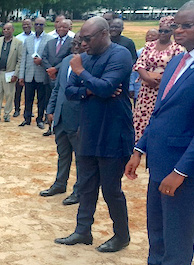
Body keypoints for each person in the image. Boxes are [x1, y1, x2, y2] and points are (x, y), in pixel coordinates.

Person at [122, 1, 194, 265]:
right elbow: (159, 112)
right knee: (157, 222)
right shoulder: (179, 60)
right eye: (175, 25)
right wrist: (140, 150)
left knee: (179, 231)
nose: (177, 31)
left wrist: (181, 171)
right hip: (159, 161)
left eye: (185, 25)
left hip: (182, 169)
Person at [55, 16, 134, 252]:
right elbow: (70, 90)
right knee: (86, 184)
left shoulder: (119, 55)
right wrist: (91, 89)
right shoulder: (86, 58)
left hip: (113, 131)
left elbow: (108, 87)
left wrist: (82, 73)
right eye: (81, 39)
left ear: (103, 34)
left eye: (87, 38)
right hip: (88, 129)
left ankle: (122, 235)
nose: (84, 43)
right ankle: (82, 231)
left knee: (111, 189)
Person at [40, 33, 83, 206]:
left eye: (80, 43)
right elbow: (57, 88)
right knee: (63, 154)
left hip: (79, 120)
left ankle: (79, 191)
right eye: (75, 43)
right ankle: (60, 184)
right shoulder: (66, 62)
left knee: (81, 159)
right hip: (60, 118)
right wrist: (50, 110)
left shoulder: (89, 64)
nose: (76, 46)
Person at [132, 17, 183, 142]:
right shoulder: (149, 46)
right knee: (142, 119)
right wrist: (147, 78)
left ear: (172, 32)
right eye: (161, 31)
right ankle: (140, 146)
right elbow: (140, 64)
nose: (163, 34)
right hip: (146, 90)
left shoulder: (177, 48)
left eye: (166, 31)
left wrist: (160, 79)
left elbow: (177, 69)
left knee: (160, 117)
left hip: (164, 90)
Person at [18, 17, 53, 129]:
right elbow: (24, 58)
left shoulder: (49, 39)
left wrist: (42, 62)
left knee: (41, 99)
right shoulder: (28, 39)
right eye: (36, 24)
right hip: (29, 74)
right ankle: (26, 118)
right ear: (33, 25)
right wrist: (21, 75)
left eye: (41, 24)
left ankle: (40, 120)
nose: (38, 26)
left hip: (41, 74)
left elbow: (49, 58)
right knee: (28, 97)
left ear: (44, 25)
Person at [41, 19, 74, 136]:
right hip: (49, 77)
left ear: (69, 28)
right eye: (59, 27)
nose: (61, 29)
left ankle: (60, 126)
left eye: (64, 27)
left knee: (60, 102)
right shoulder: (50, 42)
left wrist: (55, 69)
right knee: (49, 101)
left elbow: (70, 58)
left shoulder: (72, 42)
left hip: (62, 78)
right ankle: (49, 127)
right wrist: (50, 69)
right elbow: (43, 57)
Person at [0, 23, 23, 123]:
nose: (6, 31)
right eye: (4, 29)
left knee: (9, 95)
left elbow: (19, 60)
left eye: (8, 29)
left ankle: (7, 114)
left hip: (10, 73)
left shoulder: (18, 43)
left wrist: (16, 74)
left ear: (12, 30)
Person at [14, 19, 33, 118]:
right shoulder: (18, 38)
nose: (26, 26)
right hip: (20, 67)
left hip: (31, 69)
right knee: (17, 91)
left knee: (29, 92)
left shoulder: (35, 37)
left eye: (28, 24)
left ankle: (28, 110)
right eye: (24, 24)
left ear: (31, 25)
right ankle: (17, 109)